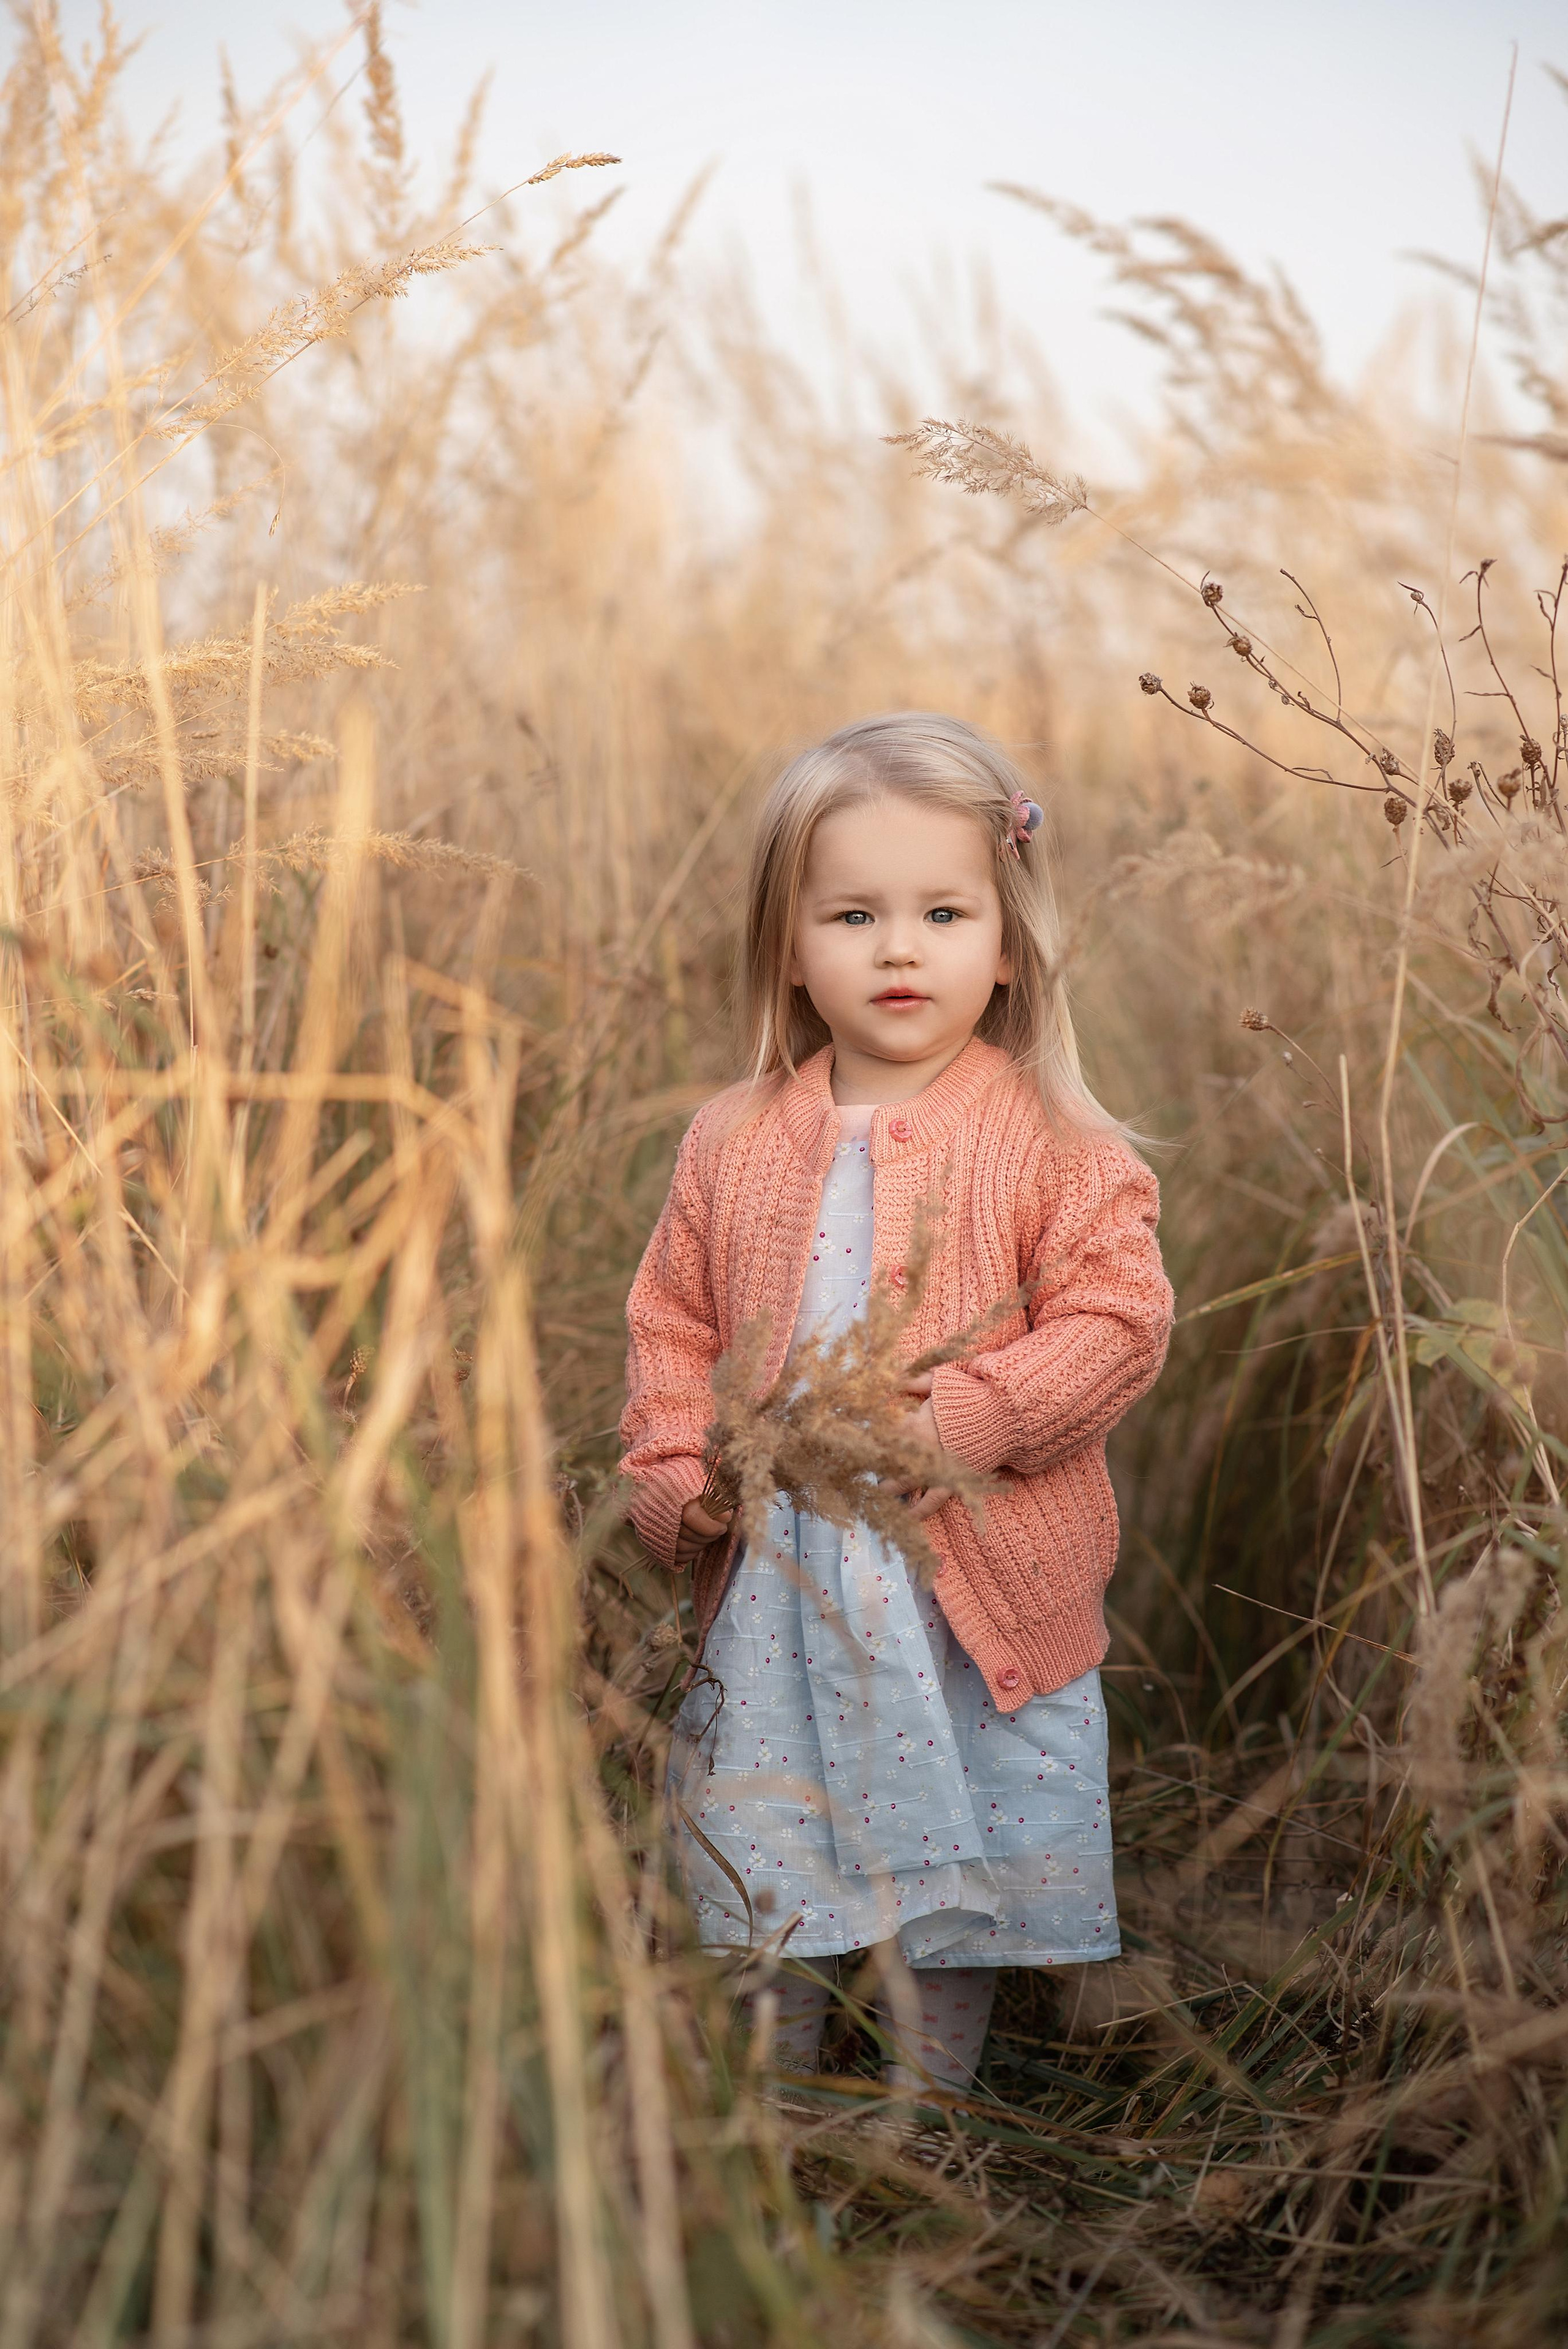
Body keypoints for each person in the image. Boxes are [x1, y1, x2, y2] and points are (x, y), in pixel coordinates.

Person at [619, 711, 1173, 2089]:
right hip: (783, 1594)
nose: (898, 948)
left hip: (958, 1590)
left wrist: (968, 1421)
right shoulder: (732, 1138)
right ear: (791, 949)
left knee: (955, 1867)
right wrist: (678, 1468)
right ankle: (784, 2113)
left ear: (1006, 936)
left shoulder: (1052, 1139)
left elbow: (1117, 1319)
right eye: (852, 914)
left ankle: (936, 2124)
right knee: (772, 1850)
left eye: (941, 910)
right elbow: (671, 1324)